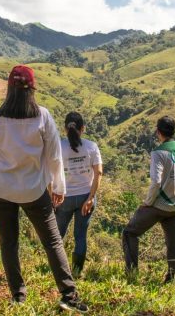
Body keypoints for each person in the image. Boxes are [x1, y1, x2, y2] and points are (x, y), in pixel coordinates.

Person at [0, 65, 89, 313]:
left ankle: (18, 295)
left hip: (1, 189)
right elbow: (54, 156)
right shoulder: (43, 116)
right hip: (34, 190)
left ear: (9, 89)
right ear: (32, 89)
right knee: (52, 242)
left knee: (9, 243)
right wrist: (59, 186)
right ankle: (69, 295)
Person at [122, 116, 175, 283]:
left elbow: (156, 181)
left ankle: (132, 275)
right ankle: (173, 279)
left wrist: (148, 202)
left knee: (129, 233)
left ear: (158, 132)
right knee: (173, 244)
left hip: (158, 205)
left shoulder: (158, 153)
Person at [55, 112, 103, 278]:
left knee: (57, 235)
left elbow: (50, 172)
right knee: (80, 236)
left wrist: (52, 194)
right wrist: (90, 198)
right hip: (85, 197)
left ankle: (58, 269)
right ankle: (76, 271)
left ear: (65, 128)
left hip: (64, 198)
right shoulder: (91, 146)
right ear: (83, 128)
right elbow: (99, 173)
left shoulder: (59, 146)